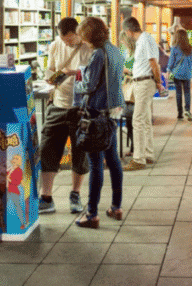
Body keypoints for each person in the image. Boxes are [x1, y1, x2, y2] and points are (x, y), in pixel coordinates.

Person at [73, 17, 125, 228]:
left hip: (97, 112)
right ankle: (116, 207)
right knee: (113, 160)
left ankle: (92, 213)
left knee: (96, 164)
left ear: (89, 35)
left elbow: (88, 85)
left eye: (83, 35)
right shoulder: (115, 51)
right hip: (114, 110)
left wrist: (80, 75)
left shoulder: (98, 55)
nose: (82, 39)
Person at [38, 17, 93, 215]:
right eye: (63, 39)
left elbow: (94, 75)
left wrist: (74, 72)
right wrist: (51, 79)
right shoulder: (55, 45)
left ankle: (75, 194)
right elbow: (50, 72)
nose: (66, 43)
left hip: (81, 107)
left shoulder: (89, 47)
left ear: (78, 33)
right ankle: (46, 197)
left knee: (80, 152)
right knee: (48, 149)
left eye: (70, 39)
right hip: (58, 104)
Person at [121, 17, 164, 171]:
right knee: (144, 120)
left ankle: (139, 159)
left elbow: (153, 63)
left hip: (144, 83)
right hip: (142, 81)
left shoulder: (145, 39)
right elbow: (148, 63)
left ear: (128, 31)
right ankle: (148, 154)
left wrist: (158, 82)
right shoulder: (143, 40)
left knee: (137, 120)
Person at [167, 29, 192, 121]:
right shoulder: (190, 48)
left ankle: (180, 113)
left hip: (177, 74)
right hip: (187, 74)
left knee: (178, 93)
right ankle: (187, 110)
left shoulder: (174, 48)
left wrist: (168, 70)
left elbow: (171, 62)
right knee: (187, 92)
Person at [119, 31, 136, 158]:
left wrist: (126, 71)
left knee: (132, 120)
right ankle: (133, 147)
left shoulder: (134, 54)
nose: (122, 44)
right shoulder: (126, 52)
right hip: (127, 87)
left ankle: (135, 148)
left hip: (133, 89)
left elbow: (135, 70)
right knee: (129, 122)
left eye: (123, 41)